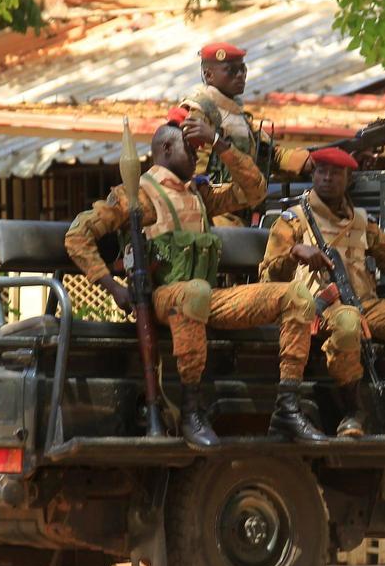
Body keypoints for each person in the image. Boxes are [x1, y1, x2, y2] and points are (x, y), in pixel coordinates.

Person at [65, 110, 327, 447]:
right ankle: (191, 407)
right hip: (163, 298)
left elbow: (255, 191)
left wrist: (221, 144)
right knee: (195, 292)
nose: (197, 156)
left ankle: (287, 406)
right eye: (191, 150)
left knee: (296, 296)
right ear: (166, 151)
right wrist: (112, 286)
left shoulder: (198, 194)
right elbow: (77, 236)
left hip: (206, 298)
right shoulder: (137, 194)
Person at [259, 147, 385, 439]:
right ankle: (353, 409)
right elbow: (266, 276)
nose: (327, 178)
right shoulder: (294, 220)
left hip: (367, 305)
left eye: (336, 173)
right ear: (312, 174)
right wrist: (294, 253)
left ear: (348, 178)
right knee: (348, 322)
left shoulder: (362, 221)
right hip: (321, 309)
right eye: (321, 171)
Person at [178, 42, 312, 225]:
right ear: (209, 75)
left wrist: (310, 161)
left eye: (243, 69)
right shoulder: (200, 112)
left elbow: (271, 154)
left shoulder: (239, 116)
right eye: (231, 71)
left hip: (246, 206)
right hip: (216, 214)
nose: (240, 75)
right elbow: (192, 176)